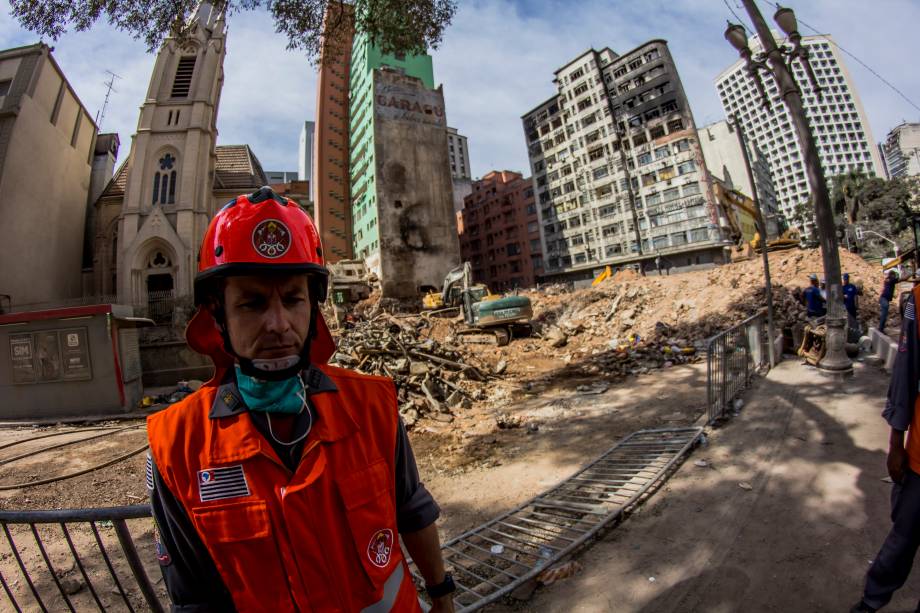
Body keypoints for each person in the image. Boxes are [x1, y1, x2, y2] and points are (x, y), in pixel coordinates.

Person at [146, 187, 455, 612]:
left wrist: (442, 596)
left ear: (313, 307)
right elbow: (193, 597)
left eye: (293, 299)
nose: (278, 324)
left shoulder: (371, 405)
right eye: (252, 303)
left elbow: (413, 510)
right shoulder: (177, 445)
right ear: (218, 315)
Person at [852, 282, 920, 612]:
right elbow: (906, 373)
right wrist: (896, 441)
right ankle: (871, 601)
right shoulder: (918, 301)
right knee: (903, 537)